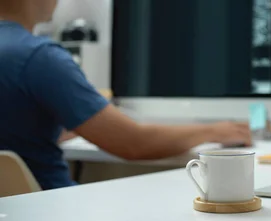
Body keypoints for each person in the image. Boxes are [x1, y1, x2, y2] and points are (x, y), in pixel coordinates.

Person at [0, 0, 252, 190]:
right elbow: (134, 143)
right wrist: (216, 131)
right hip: (48, 206)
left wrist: (80, 120)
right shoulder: (40, 58)